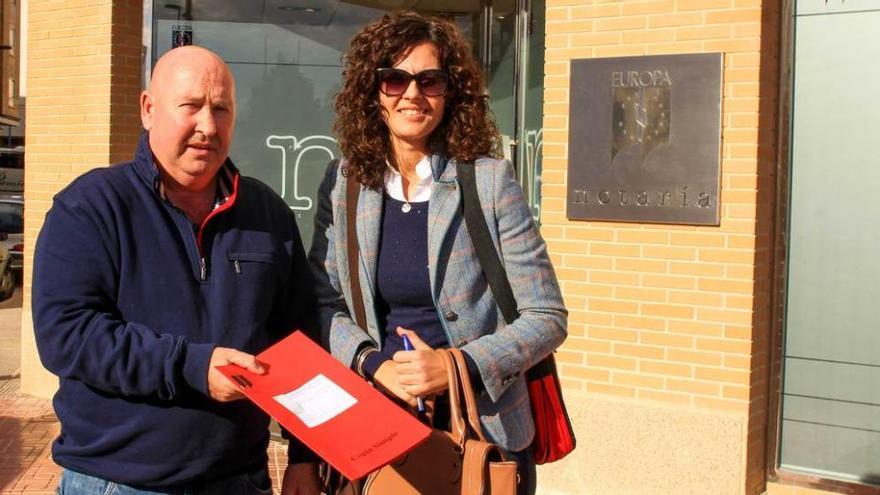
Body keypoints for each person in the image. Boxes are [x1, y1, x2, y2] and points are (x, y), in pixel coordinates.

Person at [32, 46, 321, 494]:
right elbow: (66, 335)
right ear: (148, 109)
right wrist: (191, 366)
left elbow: (301, 339)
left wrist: (306, 456)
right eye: (191, 106)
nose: (207, 126)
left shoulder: (267, 214)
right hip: (119, 483)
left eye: (221, 109)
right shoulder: (91, 207)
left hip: (240, 481)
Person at [309, 12, 567, 494]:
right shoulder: (345, 183)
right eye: (394, 79)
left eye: (429, 80)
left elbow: (547, 316)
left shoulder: (488, 181)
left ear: (451, 93)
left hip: (480, 435)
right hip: (380, 430)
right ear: (373, 92)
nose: (412, 94)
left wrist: (456, 365)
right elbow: (326, 304)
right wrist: (372, 363)